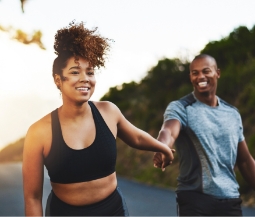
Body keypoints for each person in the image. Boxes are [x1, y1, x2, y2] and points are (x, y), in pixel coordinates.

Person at [22, 21, 174, 217]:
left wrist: (163, 148)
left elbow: (136, 138)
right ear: (58, 80)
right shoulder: (39, 132)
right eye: (75, 72)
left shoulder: (108, 111)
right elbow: (32, 198)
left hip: (113, 210)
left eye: (90, 72)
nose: (85, 78)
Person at [153, 54, 255, 216]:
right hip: (195, 199)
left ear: (217, 73)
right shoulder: (181, 107)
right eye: (195, 73)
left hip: (230, 200)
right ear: (190, 77)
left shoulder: (232, 114)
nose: (200, 76)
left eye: (206, 71)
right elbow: (169, 131)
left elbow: (244, 160)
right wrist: (162, 146)